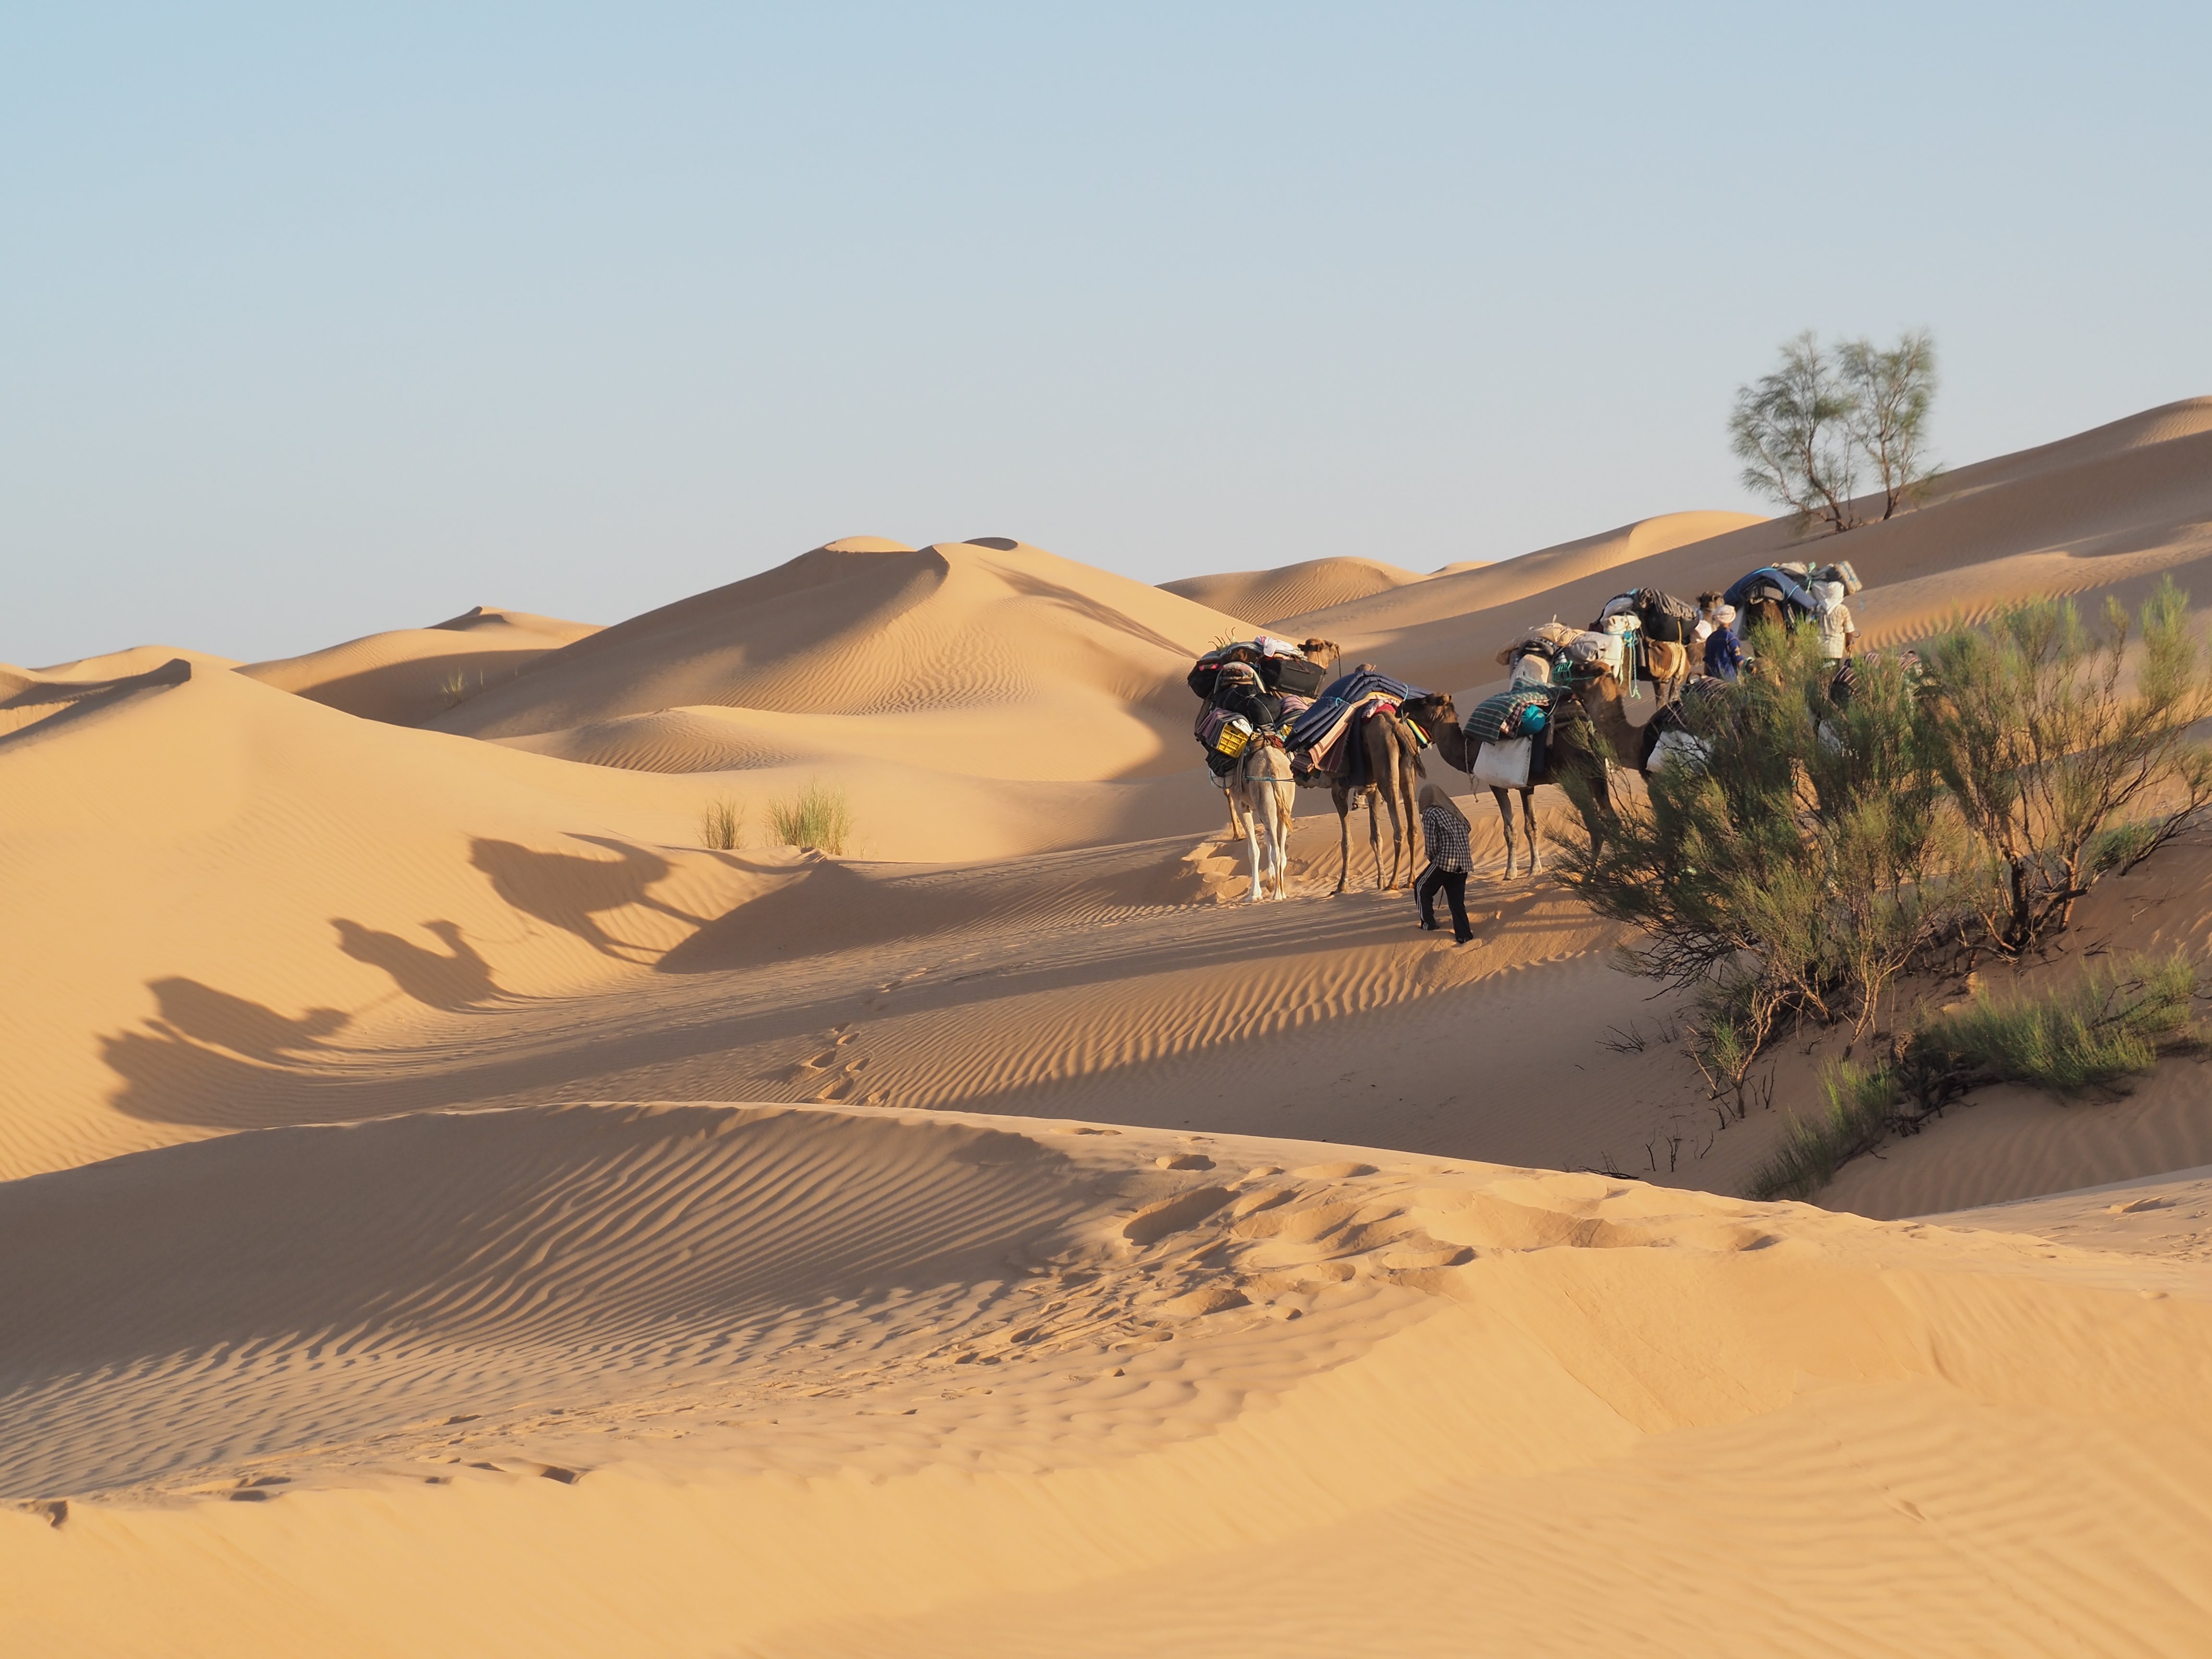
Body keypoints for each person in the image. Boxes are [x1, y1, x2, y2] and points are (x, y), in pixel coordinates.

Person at [1413, 781, 1475, 944]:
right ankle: (1464, 935)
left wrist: (1434, 860)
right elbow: (1468, 827)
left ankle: (1428, 925)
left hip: (1446, 860)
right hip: (1464, 863)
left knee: (1421, 887)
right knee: (1456, 901)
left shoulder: (1430, 813)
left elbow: (1432, 844)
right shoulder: (1453, 811)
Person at [1813, 580, 1858, 661]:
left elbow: (1809, 624)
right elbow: (1849, 631)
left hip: (1819, 650)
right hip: (1835, 650)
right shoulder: (1842, 609)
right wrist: (1849, 644)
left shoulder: (1818, 608)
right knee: (1833, 673)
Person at [1703, 603, 1743, 681]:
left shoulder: (1711, 638)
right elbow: (1739, 660)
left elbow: (1707, 663)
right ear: (1731, 620)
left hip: (1712, 680)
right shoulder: (1731, 638)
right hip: (1729, 680)